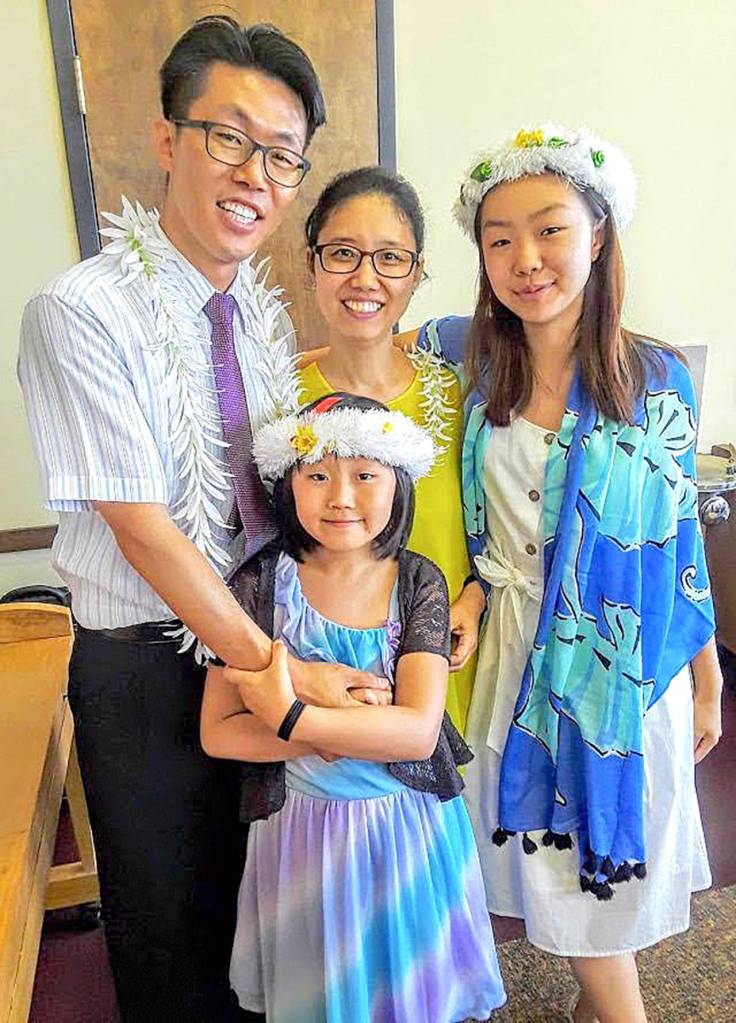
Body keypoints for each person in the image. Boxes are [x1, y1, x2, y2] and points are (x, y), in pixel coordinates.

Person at [18, 17, 385, 1022]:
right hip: (147, 666)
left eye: (280, 155)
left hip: (259, 644)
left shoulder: (261, 320)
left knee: (261, 920)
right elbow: (141, 523)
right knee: (170, 933)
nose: (255, 174)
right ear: (170, 139)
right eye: (230, 138)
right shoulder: (81, 309)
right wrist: (278, 672)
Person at [412, 125, 723, 1023]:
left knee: (597, 875)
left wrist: (707, 681)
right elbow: (367, 356)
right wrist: (471, 590)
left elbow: (679, 541)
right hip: (518, 659)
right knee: (561, 872)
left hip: (624, 671)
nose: (526, 258)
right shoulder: (470, 365)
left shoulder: (656, 378)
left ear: (598, 234)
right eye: (499, 238)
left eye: (549, 229)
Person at [201, 393, 507, 1022]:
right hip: (302, 832)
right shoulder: (257, 585)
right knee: (326, 991)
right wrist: (335, 734)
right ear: (288, 485)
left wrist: (290, 716)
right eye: (317, 475)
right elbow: (219, 733)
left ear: (398, 482)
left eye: (365, 475)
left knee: (410, 989)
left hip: (408, 828)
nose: (341, 497)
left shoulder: (418, 581)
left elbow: (417, 734)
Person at [298, 167, 482, 732]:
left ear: (417, 273)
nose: (365, 278)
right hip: (332, 680)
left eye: (390, 258)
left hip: (448, 663)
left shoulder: (455, 393)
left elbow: (492, 534)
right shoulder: (278, 398)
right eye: (343, 254)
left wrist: (473, 601)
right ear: (313, 264)